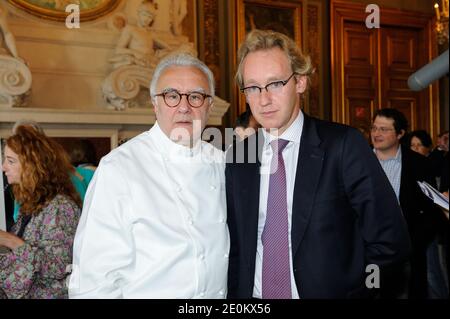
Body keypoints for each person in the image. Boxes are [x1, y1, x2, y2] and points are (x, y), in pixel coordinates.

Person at [226, 29, 411, 299]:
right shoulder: (238, 158)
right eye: (253, 87)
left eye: (276, 83)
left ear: (300, 82)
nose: (263, 99)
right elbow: (236, 249)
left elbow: (391, 241)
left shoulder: (343, 145)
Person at [69, 53, 229, 298]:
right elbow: (94, 280)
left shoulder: (222, 163)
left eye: (196, 97)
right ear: (155, 105)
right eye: (172, 96)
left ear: (209, 106)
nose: (184, 107)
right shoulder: (119, 168)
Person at [371, 108, 447, 298]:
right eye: (374, 128)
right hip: (369, 253)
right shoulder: (358, 160)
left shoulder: (419, 164)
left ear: (400, 134)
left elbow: (432, 211)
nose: (377, 134)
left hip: (408, 252)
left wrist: (414, 242)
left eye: (384, 129)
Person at [0, 125, 81, 299]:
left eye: (11, 161)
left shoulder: (60, 208)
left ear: (33, 167)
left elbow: (60, 267)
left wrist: (10, 240)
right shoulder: (32, 204)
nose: (3, 167)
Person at [109, 0, 169, 69]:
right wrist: (134, 52)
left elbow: (166, 47)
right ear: (139, 13)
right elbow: (118, 49)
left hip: (150, 63)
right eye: (144, 15)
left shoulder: (150, 34)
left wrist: (162, 53)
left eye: (150, 17)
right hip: (137, 62)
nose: (147, 19)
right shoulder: (130, 29)